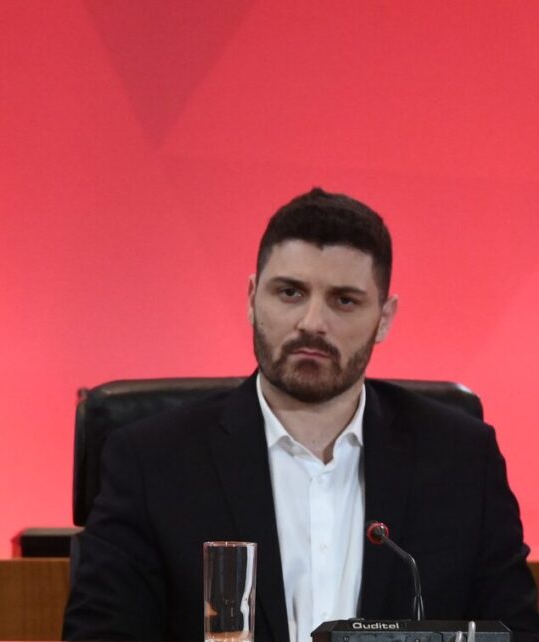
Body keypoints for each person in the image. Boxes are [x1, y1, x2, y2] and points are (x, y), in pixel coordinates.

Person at [63, 188, 539, 642]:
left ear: (384, 318)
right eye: (290, 293)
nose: (312, 323)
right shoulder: (152, 462)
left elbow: (516, 632)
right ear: (252, 298)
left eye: (344, 300)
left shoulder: (462, 460)